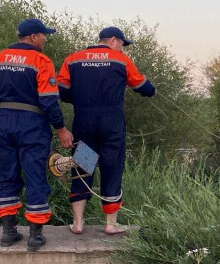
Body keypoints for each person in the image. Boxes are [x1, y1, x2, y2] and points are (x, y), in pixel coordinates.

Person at [56, 26, 155, 235]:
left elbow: (61, 90)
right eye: (122, 44)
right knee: (112, 168)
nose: (122, 48)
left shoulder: (73, 59)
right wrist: (151, 90)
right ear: (112, 40)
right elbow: (142, 86)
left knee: (82, 169)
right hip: (112, 125)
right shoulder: (121, 61)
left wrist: (80, 99)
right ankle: (110, 224)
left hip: (84, 123)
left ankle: (78, 224)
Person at [0, 19, 74, 250]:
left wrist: (0, 118)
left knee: (8, 175)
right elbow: (48, 101)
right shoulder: (41, 60)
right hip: (32, 123)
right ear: (34, 36)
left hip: (4, 121)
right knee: (35, 175)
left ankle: (8, 233)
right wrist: (61, 128)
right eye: (44, 35)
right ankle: (35, 236)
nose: (46, 39)